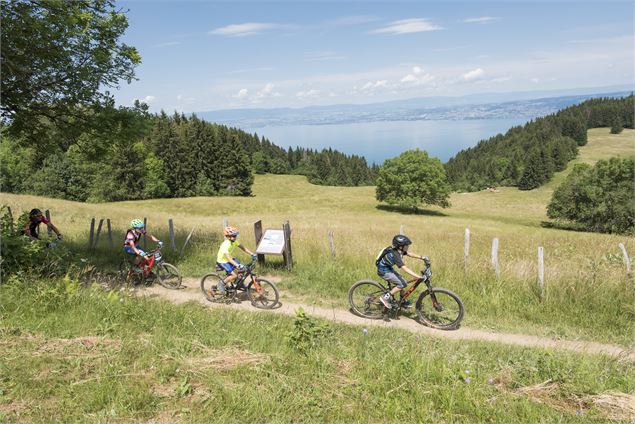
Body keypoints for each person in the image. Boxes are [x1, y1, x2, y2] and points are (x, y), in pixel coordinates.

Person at [376, 234, 428, 309]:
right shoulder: (396, 255)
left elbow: (410, 254)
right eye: (406, 245)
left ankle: (402, 301)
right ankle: (384, 298)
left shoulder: (399, 251)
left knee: (403, 282)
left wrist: (422, 257)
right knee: (402, 284)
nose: (408, 247)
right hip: (384, 271)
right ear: (400, 246)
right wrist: (417, 276)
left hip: (388, 268)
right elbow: (405, 268)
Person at [215, 226, 257, 295]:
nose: (235, 237)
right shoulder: (226, 244)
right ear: (228, 237)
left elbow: (243, 248)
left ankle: (239, 283)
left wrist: (252, 254)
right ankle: (221, 284)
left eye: (235, 236)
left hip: (229, 259)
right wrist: (237, 265)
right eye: (233, 236)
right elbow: (229, 259)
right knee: (234, 275)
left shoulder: (234, 242)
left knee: (242, 270)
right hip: (222, 261)